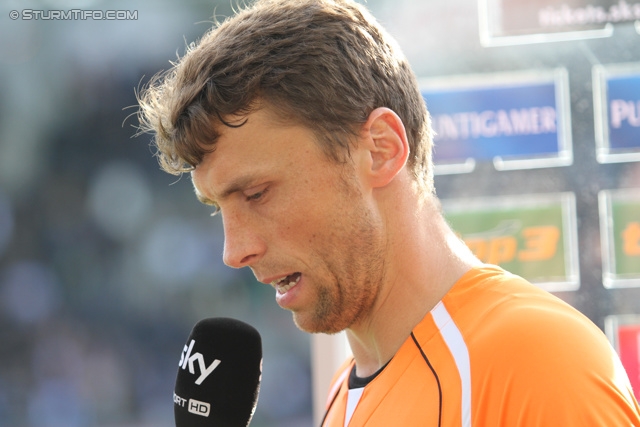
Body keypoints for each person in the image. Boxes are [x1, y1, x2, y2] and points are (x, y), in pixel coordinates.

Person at [137, 0, 640, 425]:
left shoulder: (535, 362)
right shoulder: (342, 394)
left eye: (257, 194)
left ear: (380, 149)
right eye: (216, 207)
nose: (234, 251)